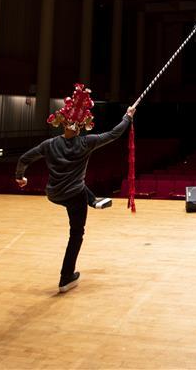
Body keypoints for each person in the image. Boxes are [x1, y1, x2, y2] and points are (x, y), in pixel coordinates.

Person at [15, 83, 136, 293]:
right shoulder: (86, 143)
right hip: (74, 195)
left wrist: (20, 177)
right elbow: (114, 134)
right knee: (76, 233)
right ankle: (66, 277)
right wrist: (128, 116)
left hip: (53, 193)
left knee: (77, 185)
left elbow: (24, 158)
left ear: (62, 124)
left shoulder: (49, 144)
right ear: (80, 126)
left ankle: (94, 200)